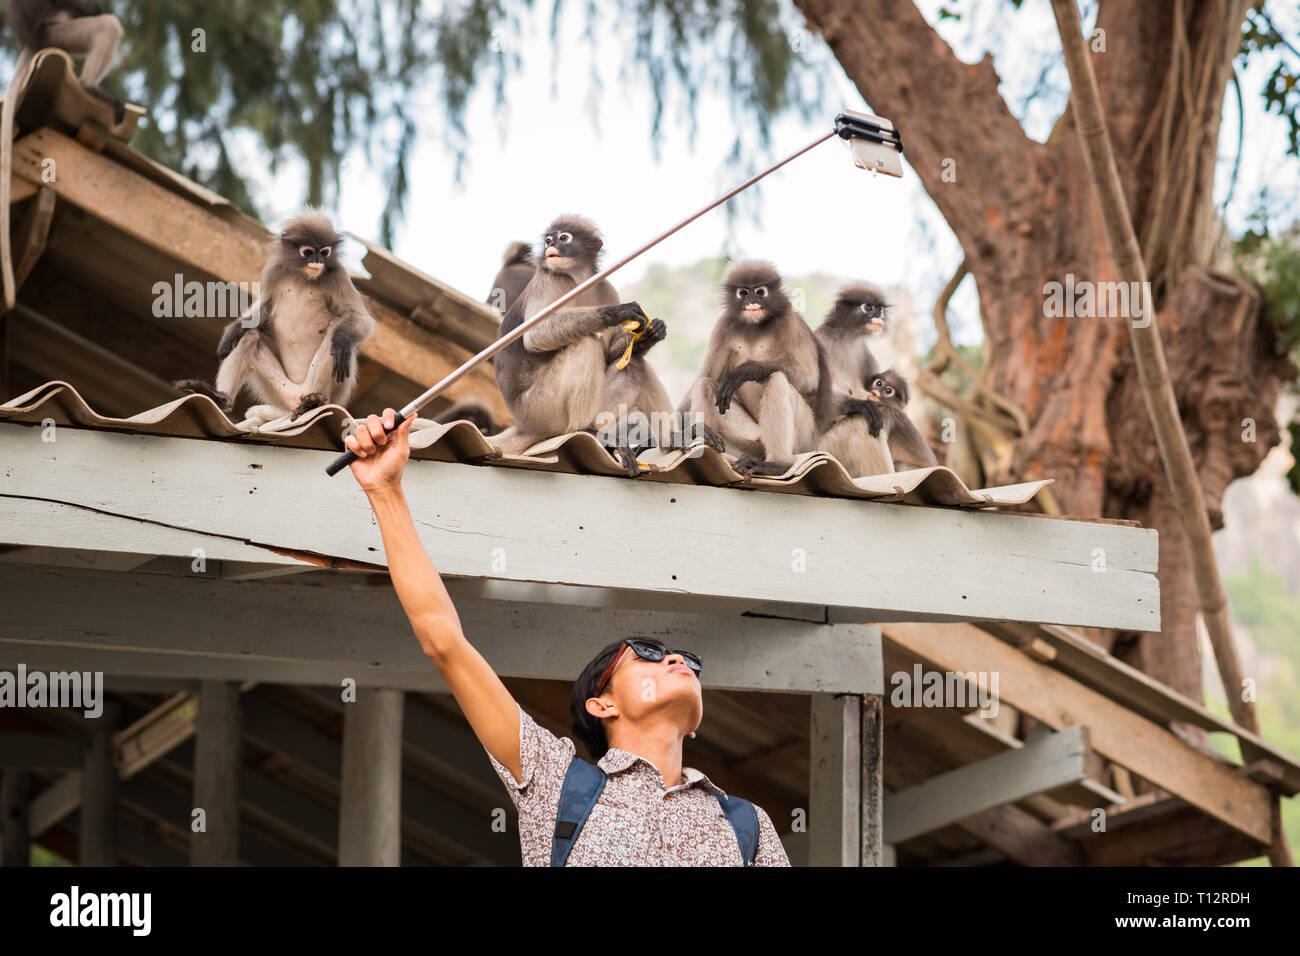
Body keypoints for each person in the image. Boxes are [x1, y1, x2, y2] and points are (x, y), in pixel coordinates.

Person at [343, 409, 790, 867]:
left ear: (695, 725)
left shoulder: (747, 825)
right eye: (648, 654)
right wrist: (385, 491)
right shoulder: (554, 783)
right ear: (603, 704)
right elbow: (445, 643)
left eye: (687, 661)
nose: (675, 658)